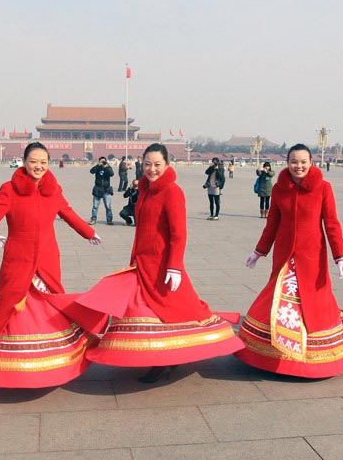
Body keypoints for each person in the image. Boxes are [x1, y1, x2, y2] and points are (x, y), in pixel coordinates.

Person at [80, 143, 244, 382]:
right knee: (143, 312)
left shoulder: (172, 192)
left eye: (157, 164)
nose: (152, 169)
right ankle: (155, 357)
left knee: (172, 311)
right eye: (147, 164)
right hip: (142, 261)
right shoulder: (144, 189)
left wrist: (174, 265)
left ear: (167, 165)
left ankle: (166, 360)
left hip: (162, 264)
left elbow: (179, 233)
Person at [0, 142, 104, 387]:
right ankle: (4, 368)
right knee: (9, 308)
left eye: (43, 162)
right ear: (24, 162)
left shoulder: (54, 189)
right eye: (33, 161)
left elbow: (68, 213)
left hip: (48, 259)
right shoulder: (9, 190)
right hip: (17, 259)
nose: (38, 167)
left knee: (51, 309)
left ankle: (56, 363)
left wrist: (88, 232)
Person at [238, 144, 343, 377]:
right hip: (284, 255)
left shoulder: (323, 188)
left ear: (311, 162)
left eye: (303, 161)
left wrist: (340, 256)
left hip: (312, 254)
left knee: (313, 299)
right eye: (293, 161)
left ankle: (314, 352)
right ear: (287, 162)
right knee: (280, 299)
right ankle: (271, 350)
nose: (298, 166)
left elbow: (331, 223)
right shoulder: (280, 189)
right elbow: (272, 224)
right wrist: (259, 251)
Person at [89, 156, 115, 225]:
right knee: (95, 206)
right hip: (98, 188)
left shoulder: (108, 168)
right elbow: (91, 171)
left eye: (104, 161)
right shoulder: (97, 168)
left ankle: (109, 219)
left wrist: (106, 167)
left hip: (106, 189)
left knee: (108, 206)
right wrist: (97, 165)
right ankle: (93, 219)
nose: (102, 163)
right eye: (101, 161)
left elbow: (112, 174)